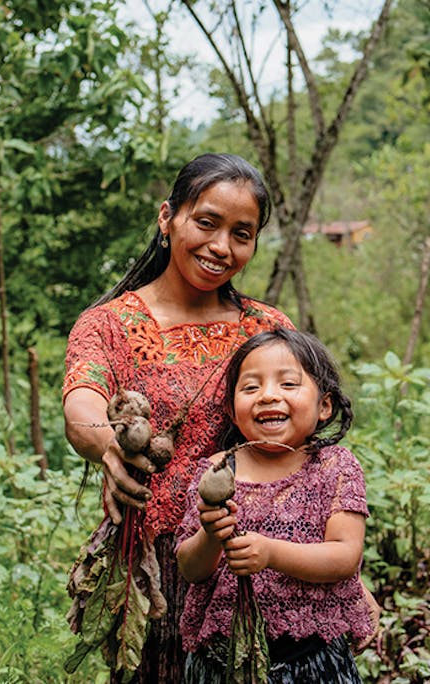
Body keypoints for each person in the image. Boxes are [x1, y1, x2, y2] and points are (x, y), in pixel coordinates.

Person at [62, 153, 294, 682]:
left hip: (254, 555)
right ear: (168, 218)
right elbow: (83, 400)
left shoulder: (266, 327)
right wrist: (107, 443)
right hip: (158, 566)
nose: (220, 246)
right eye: (206, 222)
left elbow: (307, 441)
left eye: (242, 233)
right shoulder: (111, 324)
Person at [175, 328, 378, 683]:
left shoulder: (335, 467)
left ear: (324, 406)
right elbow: (190, 570)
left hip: (312, 661)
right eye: (251, 387)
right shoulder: (217, 471)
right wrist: (210, 535)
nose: (268, 396)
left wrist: (271, 553)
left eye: (288, 384)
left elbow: (346, 556)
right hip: (222, 666)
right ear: (232, 409)